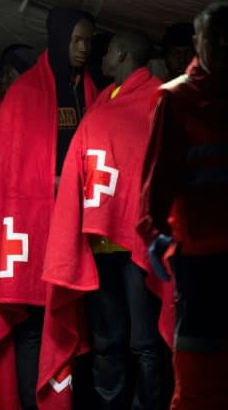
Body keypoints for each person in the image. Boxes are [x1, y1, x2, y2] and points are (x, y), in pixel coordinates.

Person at [0, 7, 99, 410]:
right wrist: (56, 185)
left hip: (80, 229)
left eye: (88, 41)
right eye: (75, 40)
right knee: (35, 326)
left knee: (81, 323)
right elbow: (5, 175)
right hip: (32, 234)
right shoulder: (25, 94)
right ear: (59, 39)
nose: (82, 49)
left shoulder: (91, 91)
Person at [40, 30, 173, 410]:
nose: (99, 58)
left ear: (120, 52)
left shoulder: (158, 98)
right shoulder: (103, 101)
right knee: (106, 338)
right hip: (101, 240)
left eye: (106, 52)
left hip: (138, 243)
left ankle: (147, 405)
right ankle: (108, 403)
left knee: (144, 340)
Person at [138, 2, 228, 410]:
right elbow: (156, 180)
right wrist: (154, 234)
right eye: (215, 37)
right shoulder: (176, 99)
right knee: (197, 372)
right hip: (200, 260)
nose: (223, 46)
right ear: (198, 42)